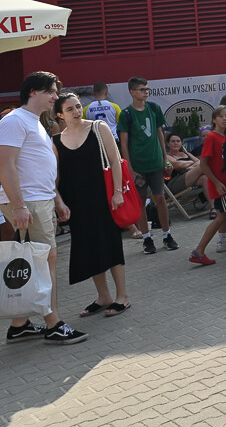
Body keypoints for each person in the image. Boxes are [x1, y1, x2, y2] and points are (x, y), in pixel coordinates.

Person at [0, 71, 87, 344]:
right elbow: (6, 165)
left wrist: (57, 199)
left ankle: (20, 324)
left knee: (36, 260)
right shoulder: (14, 120)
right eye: (51, 91)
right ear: (34, 92)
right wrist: (19, 206)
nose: (55, 97)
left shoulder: (35, 122)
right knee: (45, 261)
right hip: (28, 203)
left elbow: (40, 168)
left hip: (39, 200)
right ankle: (53, 324)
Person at [52, 93, 129, 317]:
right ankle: (104, 296)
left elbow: (116, 160)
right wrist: (58, 200)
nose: (76, 112)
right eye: (70, 109)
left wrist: (117, 193)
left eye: (78, 106)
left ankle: (122, 296)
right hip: (76, 202)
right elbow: (54, 176)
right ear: (59, 115)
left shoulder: (98, 127)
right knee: (89, 247)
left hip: (103, 197)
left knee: (111, 242)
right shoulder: (56, 141)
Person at [118, 76, 175, 253]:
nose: (146, 92)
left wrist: (165, 158)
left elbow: (160, 134)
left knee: (160, 198)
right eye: (142, 89)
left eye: (147, 89)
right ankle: (146, 238)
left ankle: (167, 235)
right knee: (140, 201)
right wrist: (129, 168)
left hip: (156, 163)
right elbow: (124, 143)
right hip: (138, 166)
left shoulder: (154, 108)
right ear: (132, 92)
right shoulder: (126, 114)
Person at [189, 104, 226, 265]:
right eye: (221, 116)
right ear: (214, 119)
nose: (225, 119)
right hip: (222, 185)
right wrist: (216, 182)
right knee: (222, 217)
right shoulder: (212, 137)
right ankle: (199, 250)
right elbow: (203, 164)